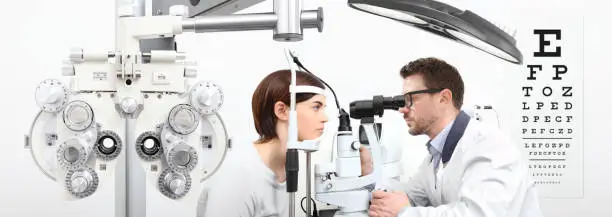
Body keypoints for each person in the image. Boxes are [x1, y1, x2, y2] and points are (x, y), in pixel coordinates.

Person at [364, 57, 543, 217]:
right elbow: (409, 196)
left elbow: (479, 214)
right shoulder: (434, 157)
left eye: (411, 99)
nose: (403, 109)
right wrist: (369, 173)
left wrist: (406, 213)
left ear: (444, 98)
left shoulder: (489, 145)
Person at [196, 69, 369, 217]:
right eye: (316, 107)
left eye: (323, 108)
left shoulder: (287, 168)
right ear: (282, 111)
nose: (325, 118)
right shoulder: (236, 178)